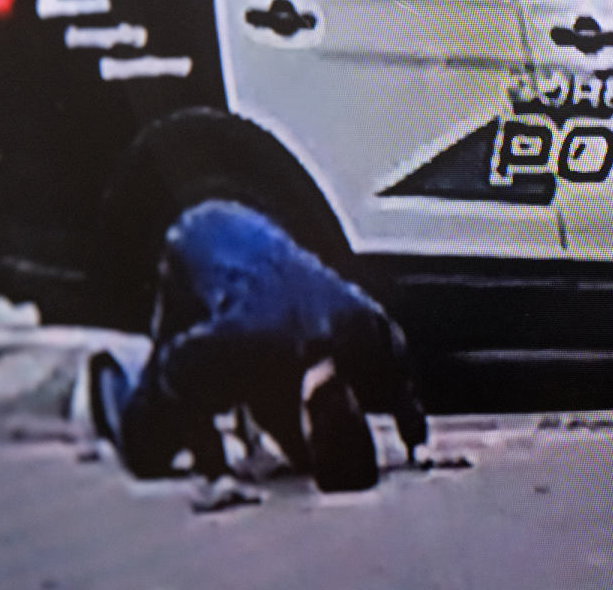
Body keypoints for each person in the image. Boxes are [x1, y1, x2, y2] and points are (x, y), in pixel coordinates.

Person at [85, 199, 428, 510]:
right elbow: (178, 372)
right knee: (148, 452)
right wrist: (216, 475)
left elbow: (396, 374)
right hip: (195, 241)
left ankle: (278, 444)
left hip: (250, 243)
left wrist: (417, 445)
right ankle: (112, 371)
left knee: (267, 375)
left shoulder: (363, 329)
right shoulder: (255, 336)